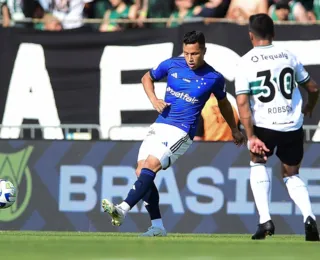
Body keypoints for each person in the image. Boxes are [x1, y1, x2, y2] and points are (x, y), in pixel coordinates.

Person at [102, 30, 246, 236]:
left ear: (204, 51)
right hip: (161, 124)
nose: (190, 58)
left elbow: (224, 105)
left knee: (151, 165)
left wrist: (234, 129)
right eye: (187, 53)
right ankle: (158, 226)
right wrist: (154, 100)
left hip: (182, 131)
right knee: (141, 171)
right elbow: (146, 78)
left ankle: (122, 209)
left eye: (195, 54)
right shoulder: (171, 65)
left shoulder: (214, 77)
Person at [235, 13, 320, 241]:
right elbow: (312, 88)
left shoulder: (245, 62)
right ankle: (309, 216)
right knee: (291, 173)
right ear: (273, 34)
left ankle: (265, 220)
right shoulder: (288, 56)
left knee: (258, 162)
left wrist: (251, 136)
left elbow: (242, 102)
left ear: (250, 36)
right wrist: (309, 107)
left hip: (264, 125)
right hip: (292, 125)